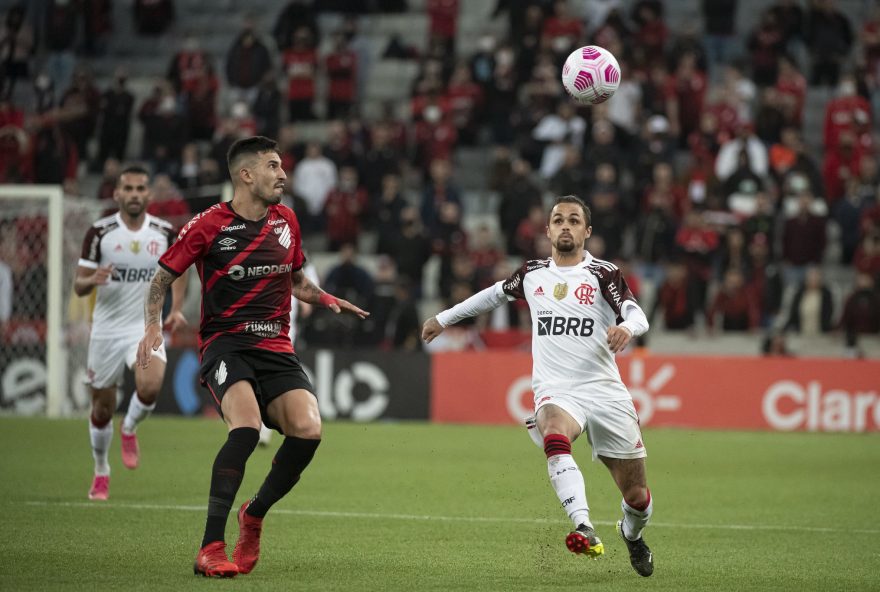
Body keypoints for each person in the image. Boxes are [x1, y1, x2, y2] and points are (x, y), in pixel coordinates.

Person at [136, 136, 368, 578]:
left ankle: (254, 514)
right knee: (245, 430)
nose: (283, 174)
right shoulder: (207, 224)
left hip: (276, 346)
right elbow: (162, 278)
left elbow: (296, 281)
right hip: (226, 344)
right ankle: (210, 546)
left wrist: (325, 298)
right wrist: (152, 323)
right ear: (246, 174)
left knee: (308, 430)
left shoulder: (287, 221)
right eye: (274, 166)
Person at [422, 195, 655, 577]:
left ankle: (631, 535)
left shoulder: (603, 273)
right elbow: (493, 295)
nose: (566, 226)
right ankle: (583, 525)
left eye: (574, 220)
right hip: (557, 388)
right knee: (553, 430)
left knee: (637, 498)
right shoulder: (532, 273)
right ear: (546, 230)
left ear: (587, 231)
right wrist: (444, 318)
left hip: (604, 389)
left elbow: (635, 312)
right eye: (558, 220)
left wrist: (626, 328)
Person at [74, 165, 188, 501]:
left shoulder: (165, 232)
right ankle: (101, 470)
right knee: (101, 410)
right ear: (117, 194)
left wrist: (176, 308)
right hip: (106, 330)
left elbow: (181, 272)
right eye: (129, 189)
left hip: (144, 326)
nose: (135, 195)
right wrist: (90, 281)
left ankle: (129, 429)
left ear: (149, 195)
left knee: (150, 387)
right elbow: (79, 285)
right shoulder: (100, 233)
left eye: (141, 189)